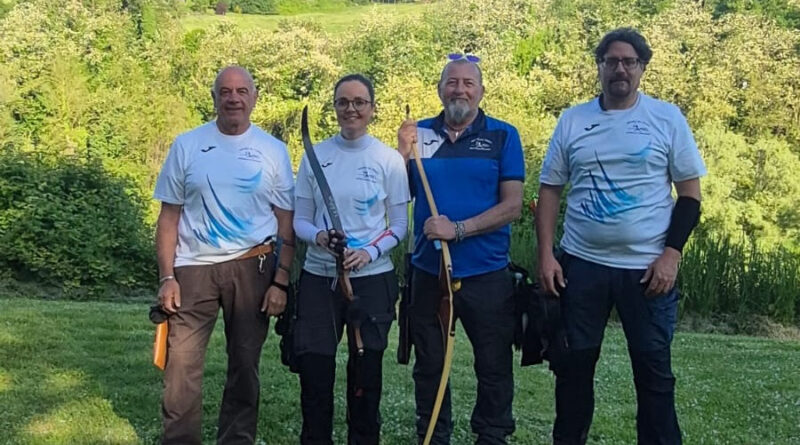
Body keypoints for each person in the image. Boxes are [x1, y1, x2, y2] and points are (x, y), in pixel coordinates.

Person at [536, 28, 706, 445]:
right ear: (599, 67)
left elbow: (689, 196)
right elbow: (550, 190)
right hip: (581, 266)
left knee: (654, 375)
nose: (620, 69)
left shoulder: (666, 118)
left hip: (647, 271)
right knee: (573, 371)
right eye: (611, 61)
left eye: (629, 62)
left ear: (642, 68)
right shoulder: (573, 120)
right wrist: (546, 255)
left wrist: (671, 255)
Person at [153, 65, 296, 445]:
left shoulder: (273, 150)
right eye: (226, 91)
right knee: (181, 365)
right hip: (192, 268)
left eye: (241, 91)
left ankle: (237, 439)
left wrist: (281, 281)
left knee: (245, 365)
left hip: (253, 265)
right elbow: (168, 217)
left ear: (254, 97)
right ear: (214, 98)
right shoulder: (187, 145)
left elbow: (286, 221)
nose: (234, 98)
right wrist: (167, 277)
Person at [397, 56, 525, 445]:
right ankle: (433, 435)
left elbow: (513, 206)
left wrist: (458, 230)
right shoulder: (419, 135)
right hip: (429, 271)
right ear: (440, 89)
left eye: (469, 83)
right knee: (430, 365)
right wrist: (401, 155)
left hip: (486, 273)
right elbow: (397, 195)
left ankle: (492, 436)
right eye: (452, 82)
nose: (460, 90)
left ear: (481, 91)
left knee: (494, 365)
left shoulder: (503, 135)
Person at [292, 73, 410, 445]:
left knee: (365, 375)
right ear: (335, 107)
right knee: (315, 372)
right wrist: (320, 237)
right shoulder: (316, 156)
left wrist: (368, 252)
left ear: (372, 109)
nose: (351, 109)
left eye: (359, 102)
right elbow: (300, 220)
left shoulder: (388, 160)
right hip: (319, 277)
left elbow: (400, 225)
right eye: (343, 102)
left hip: (372, 281)